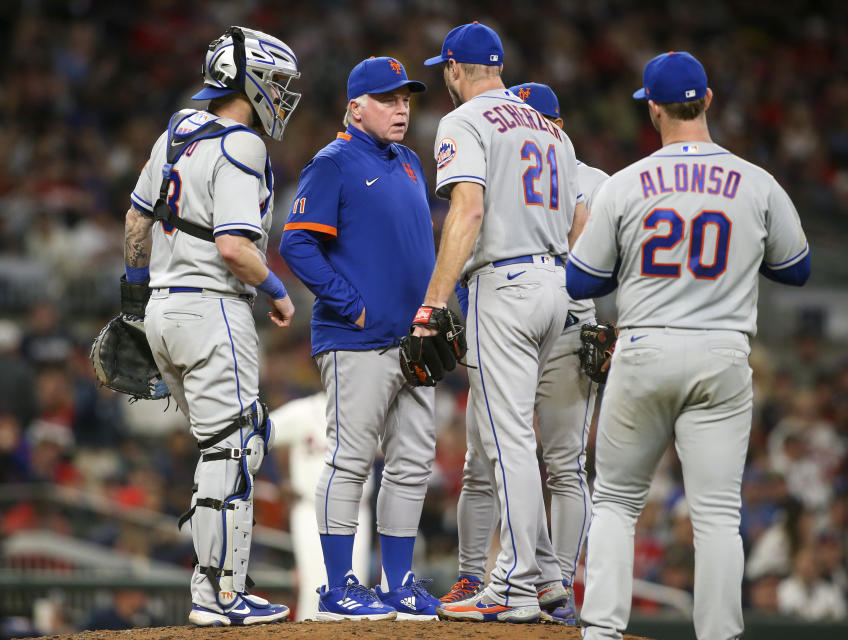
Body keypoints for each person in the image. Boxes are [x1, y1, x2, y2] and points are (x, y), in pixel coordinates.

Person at [568, 51, 810, 640]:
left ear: (653, 108)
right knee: (718, 517)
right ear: (707, 101)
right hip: (722, 352)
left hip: (645, 347)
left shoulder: (627, 183)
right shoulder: (757, 181)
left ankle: (601, 631)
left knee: (617, 504)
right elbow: (797, 267)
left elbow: (580, 280)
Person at [122, 26, 303, 627]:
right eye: (275, 82)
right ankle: (222, 595)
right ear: (245, 80)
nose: (280, 94)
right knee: (235, 447)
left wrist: (132, 299)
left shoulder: (177, 130)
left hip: (161, 311)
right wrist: (276, 291)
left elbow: (135, 222)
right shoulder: (243, 144)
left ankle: (211, 585)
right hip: (211, 307)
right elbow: (233, 246)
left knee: (217, 451)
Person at [417, 22, 588, 623]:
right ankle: (539, 576)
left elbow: (466, 210)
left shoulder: (464, 121)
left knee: (508, 438)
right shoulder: (550, 129)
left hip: (505, 286)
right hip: (557, 287)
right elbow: (578, 227)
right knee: (500, 439)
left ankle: (515, 587)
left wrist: (434, 302)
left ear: (455, 69)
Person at [279, 56, 440, 621]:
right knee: (350, 460)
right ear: (355, 106)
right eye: (388, 99)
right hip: (356, 340)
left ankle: (397, 582)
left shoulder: (410, 162)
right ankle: (337, 584)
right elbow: (296, 243)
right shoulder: (334, 162)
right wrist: (353, 306)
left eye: (406, 98)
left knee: (412, 462)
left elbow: (420, 248)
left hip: (414, 342)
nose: (402, 108)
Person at [268, 392, 373, 621]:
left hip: (356, 510)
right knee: (314, 585)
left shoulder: (368, 406)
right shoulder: (303, 411)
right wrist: (282, 477)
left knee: (357, 585)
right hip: (310, 509)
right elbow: (263, 431)